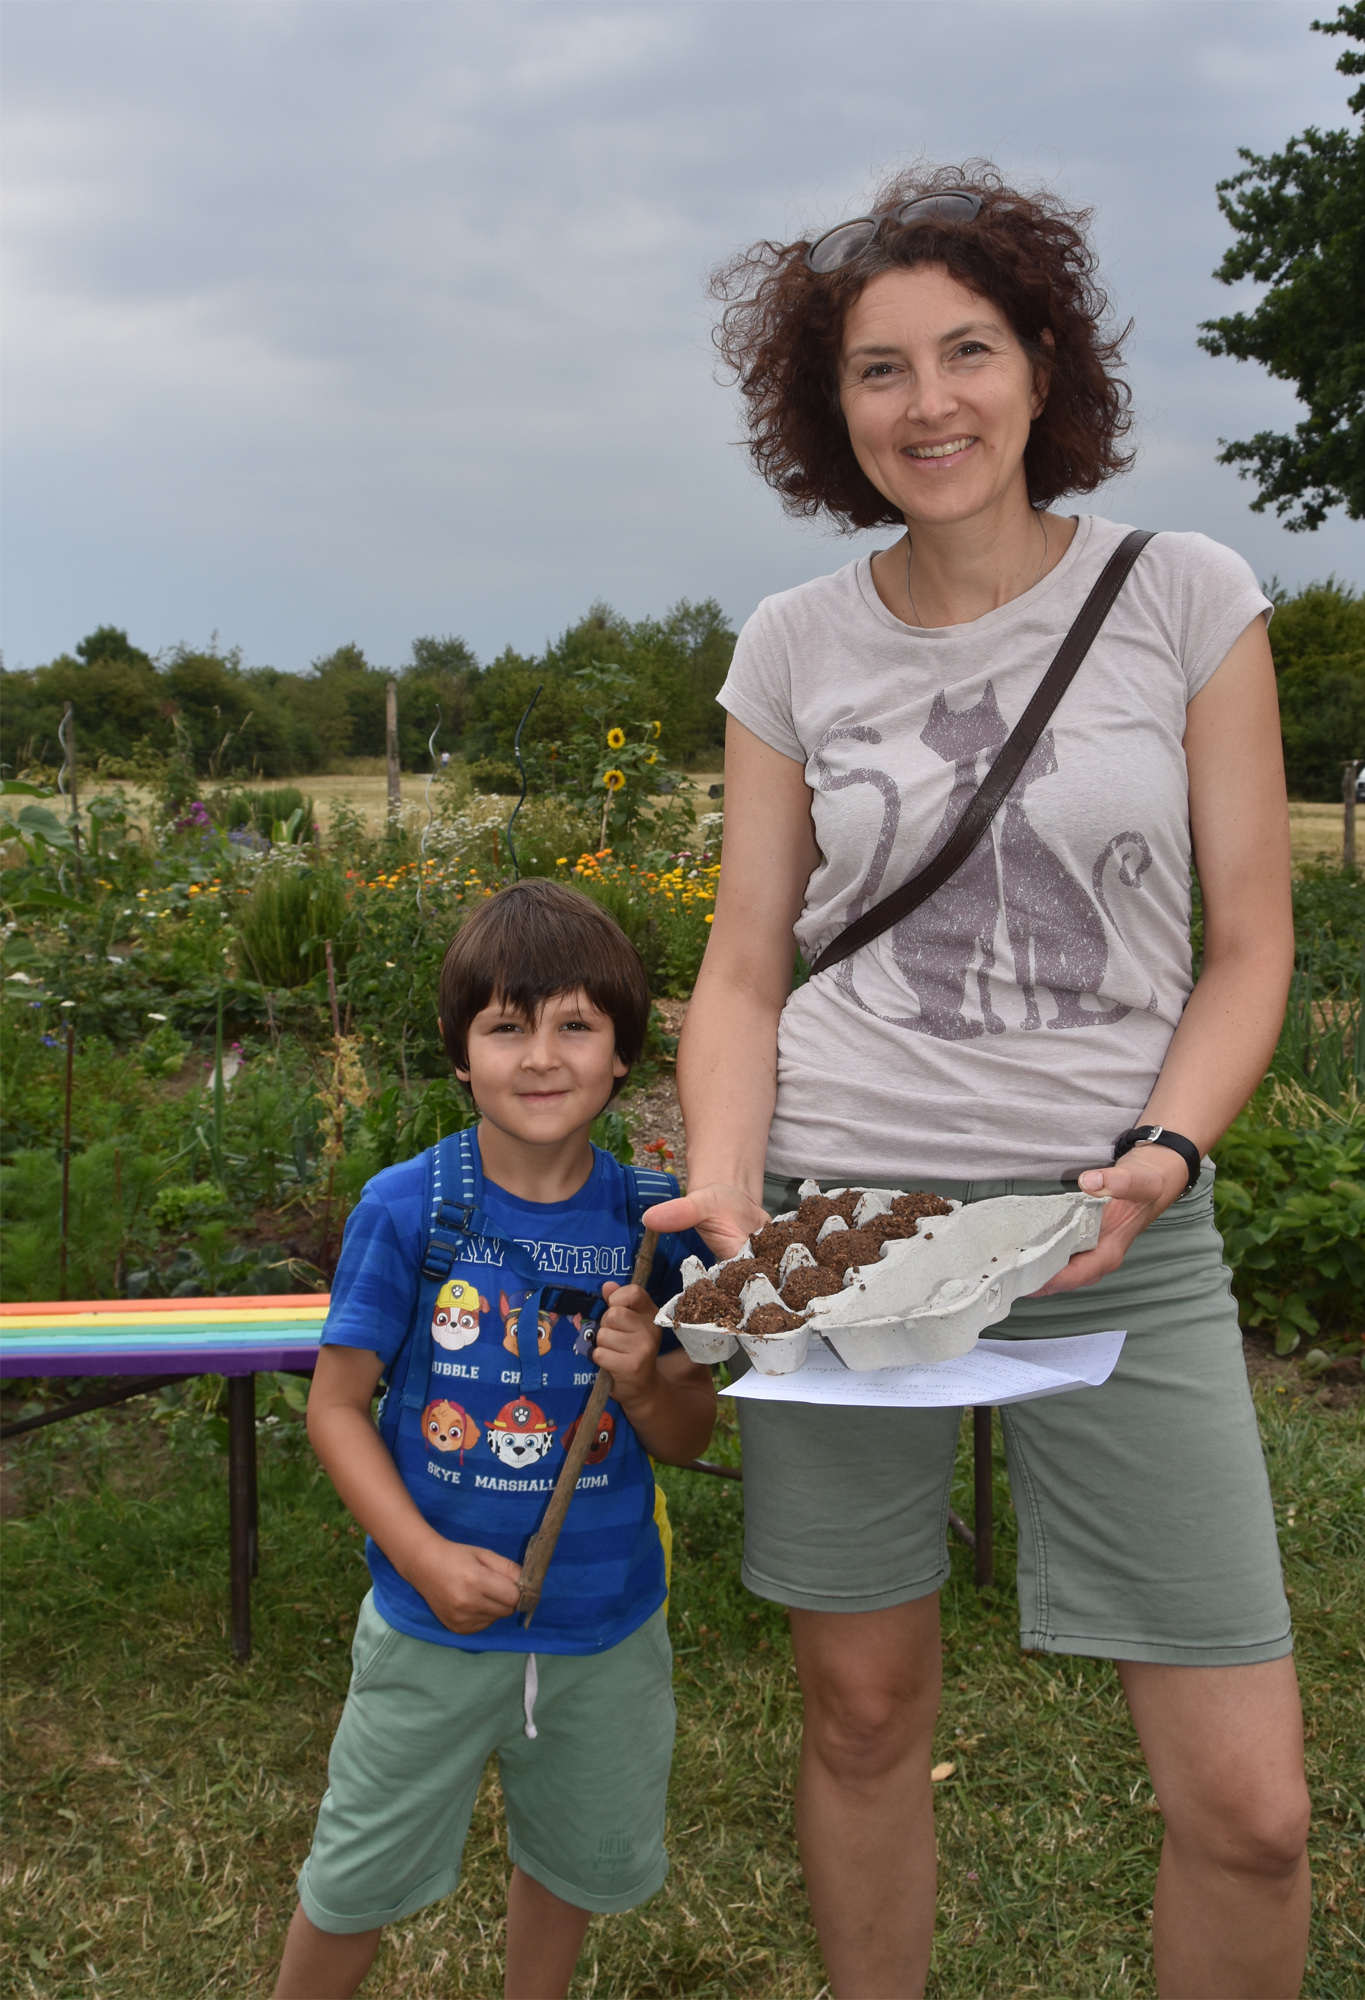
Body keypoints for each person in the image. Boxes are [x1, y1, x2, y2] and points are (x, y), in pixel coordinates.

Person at [645, 166, 1309, 1999]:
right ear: (828, 410)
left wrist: (1163, 1151)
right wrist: (726, 1181)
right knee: (862, 1715)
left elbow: (1249, 944)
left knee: (1250, 1807)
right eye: (878, 369)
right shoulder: (790, 643)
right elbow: (744, 965)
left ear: (1040, 371)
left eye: (966, 353)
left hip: (1115, 1227)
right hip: (838, 1219)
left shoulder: (1183, 595)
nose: (926, 402)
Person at [274, 881, 716, 2000]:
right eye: (508, 1025)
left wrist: (641, 1378)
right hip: (430, 1629)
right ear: (461, 1053)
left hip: (605, 1629)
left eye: (577, 1024)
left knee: (568, 1864)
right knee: (354, 1879)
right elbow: (337, 1407)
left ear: (623, 1052)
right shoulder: (409, 1207)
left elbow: (686, 1430)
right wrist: (422, 1557)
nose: (542, 1056)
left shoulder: (656, 1228)